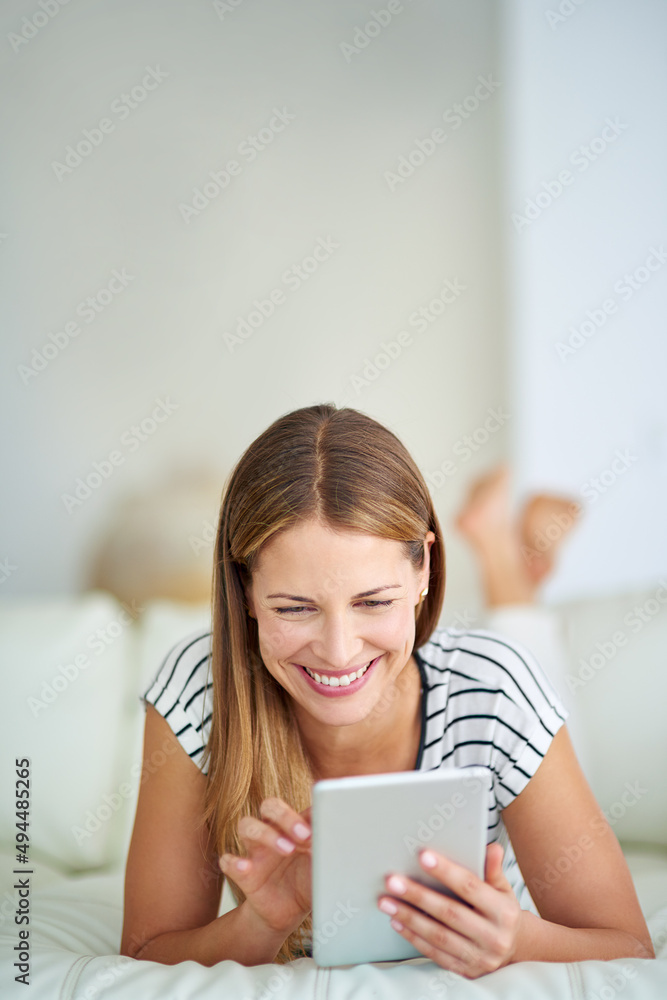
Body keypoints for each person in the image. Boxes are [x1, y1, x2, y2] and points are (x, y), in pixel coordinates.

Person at [120, 404, 654, 975]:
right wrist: (262, 920)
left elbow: (628, 946)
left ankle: (507, 560)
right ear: (246, 591)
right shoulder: (198, 690)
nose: (340, 651)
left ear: (423, 569)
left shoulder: (494, 690)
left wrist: (516, 940)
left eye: (373, 602)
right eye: (295, 609)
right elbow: (145, 954)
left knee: (525, 659)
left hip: (491, 693)